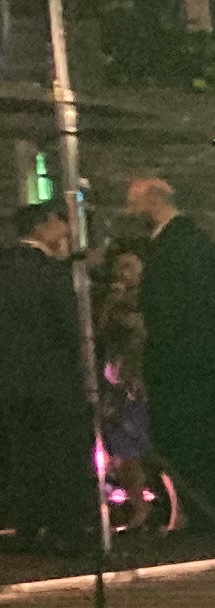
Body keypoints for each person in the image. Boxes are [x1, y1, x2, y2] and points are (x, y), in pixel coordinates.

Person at [118, 172, 215, 533]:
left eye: (135, 203)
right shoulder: (190, 241)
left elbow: (177, 305)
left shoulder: (177, 245)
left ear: (154, 200)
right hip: (196, 357)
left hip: (183, 360)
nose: (130, 211)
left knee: (190, 436)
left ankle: (203, 511)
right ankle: (206, 510)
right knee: (202, 433)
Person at [0, 201, 88, 551]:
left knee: (25, 455)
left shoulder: (6, 267)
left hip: (12, 380)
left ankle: (28, 525)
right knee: (60, 454)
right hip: (54, 379)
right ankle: (64, 528)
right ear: (43, 225)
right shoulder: (51, 273)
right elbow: (68, 327)